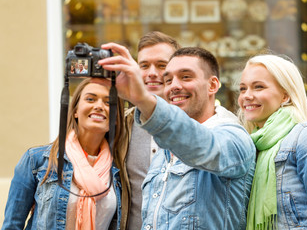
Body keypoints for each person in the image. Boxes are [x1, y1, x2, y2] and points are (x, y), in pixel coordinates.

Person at [98, 45, 256, 229]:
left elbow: (201, 145)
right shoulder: (164, 150)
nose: (174, 86)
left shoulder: (234, 137)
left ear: (212, 85)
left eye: (186, 76)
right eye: (168, 80)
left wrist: (143, 99)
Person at [237, 54, 307, 229]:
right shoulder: (251, 143)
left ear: (285, 96)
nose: (247, 96)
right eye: (243, 89)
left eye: (258, 87)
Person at [2, 78, 126, 229]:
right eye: (90, 99)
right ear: (75, 111)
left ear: (116, 119)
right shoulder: (36, 161)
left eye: (108, 102)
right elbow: (12, 225)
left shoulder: (118, 171)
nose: (99, 106)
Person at [114, 31, 181, 229]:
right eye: (144, 66)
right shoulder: (121, 125)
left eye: (161, 65)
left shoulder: (195, 123)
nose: (152, 73)